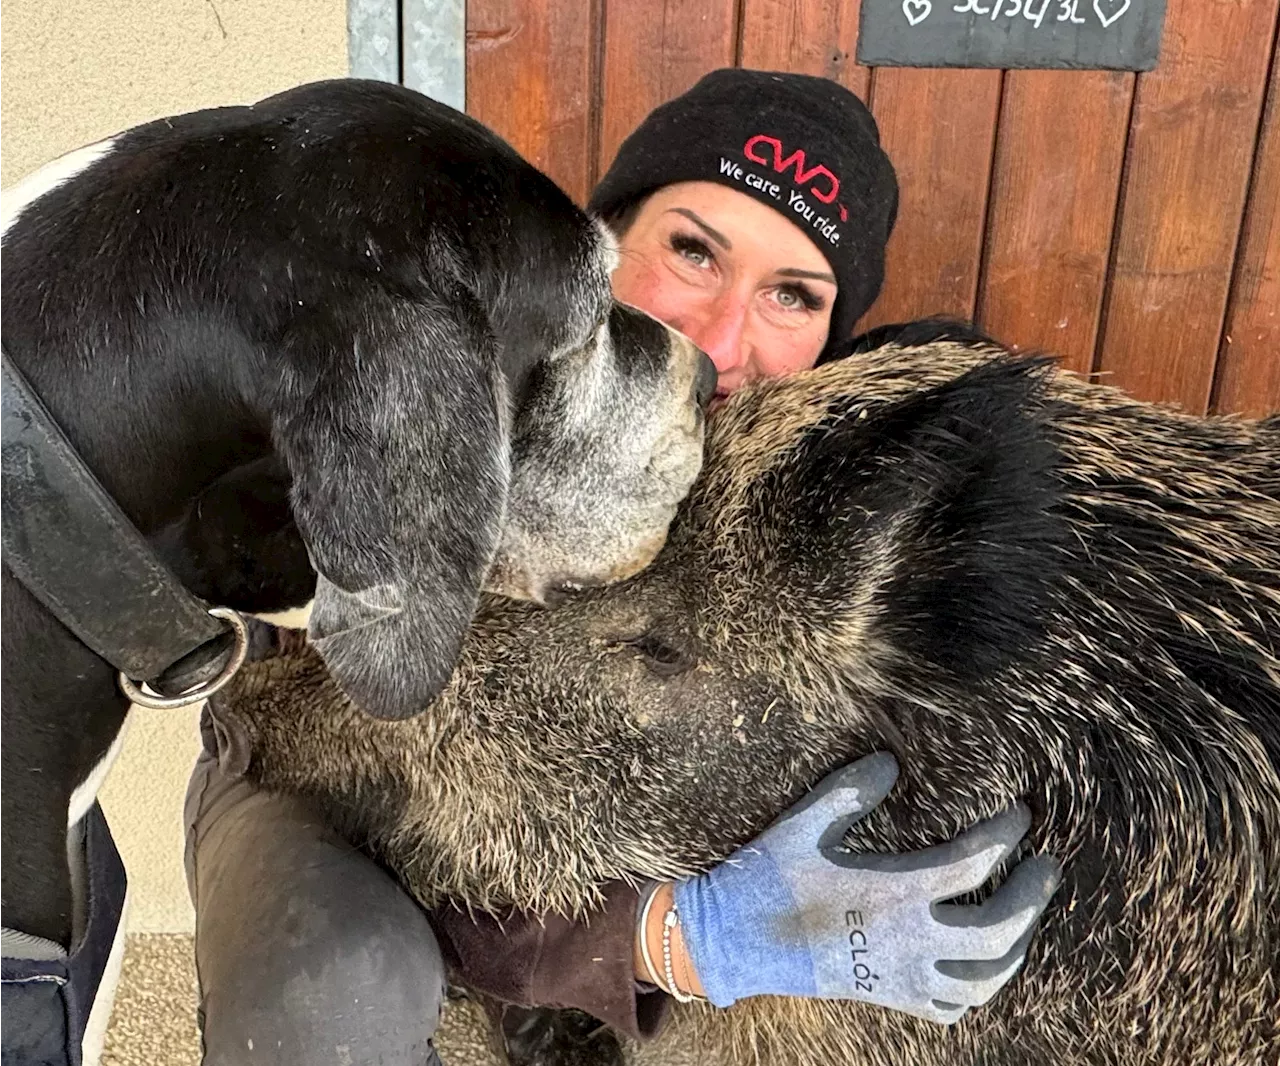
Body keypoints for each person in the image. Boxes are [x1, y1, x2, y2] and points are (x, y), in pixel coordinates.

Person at [185, 69, 1062, 1065]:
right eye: (692, 250)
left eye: (792, 294)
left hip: (576, 846)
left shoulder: (792, 486)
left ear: (833, 335)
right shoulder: (443, 394)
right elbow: (417, 801)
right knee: (333, 990)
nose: (721, 344)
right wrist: (677, 940)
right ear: (593, 243)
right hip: (309, 765)